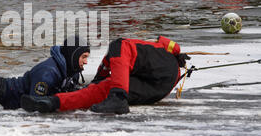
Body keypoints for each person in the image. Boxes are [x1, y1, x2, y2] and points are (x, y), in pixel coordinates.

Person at [20, 36, 190, 115]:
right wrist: (95, 83)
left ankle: (118, 98)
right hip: (160, 89)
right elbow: (107, 69)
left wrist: (99, 77)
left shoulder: (160, 52)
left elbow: (115, 57)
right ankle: (52, 103)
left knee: (119, 44)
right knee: (102, 89)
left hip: (167, 67)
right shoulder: (120, 69)